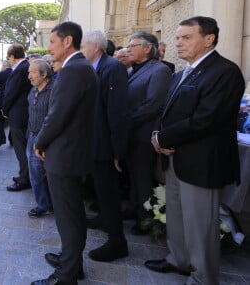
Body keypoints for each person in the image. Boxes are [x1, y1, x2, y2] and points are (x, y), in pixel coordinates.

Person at [145, 16, 245, 285]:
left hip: (202, 162)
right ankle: (179, 260)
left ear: (209, 39)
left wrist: (163, 137)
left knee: (200, 225)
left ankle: (203, 277)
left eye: (186, 37)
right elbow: (165, 111)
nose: (178, 42)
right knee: (176, 216)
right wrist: (157, 134)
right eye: (177, 37)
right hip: (175, 158)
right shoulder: (181, 72)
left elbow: (206, 119)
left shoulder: (225, 72)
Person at [32, 22, 98, 285]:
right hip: (72, 152)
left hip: (65, 154)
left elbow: (57, 115)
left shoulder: (73, 70)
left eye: (52, 42)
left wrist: (40, 141)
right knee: (72, 213)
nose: (48, 47)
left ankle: (66, 276)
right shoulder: (81, 68)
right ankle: (72, 262)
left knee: (68, 216)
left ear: (67, 41)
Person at [80, 30, 130, 262]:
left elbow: (117, 113)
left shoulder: (112, 68)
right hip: (95, 143)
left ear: (96, 46)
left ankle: (117, 242)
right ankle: (103, 219)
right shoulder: (96, 67)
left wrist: (118, 152)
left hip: (106, 147)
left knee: (109, 194)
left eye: (83, 45)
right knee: (101, 191)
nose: (80, 49)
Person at [126, 32, 172, 234]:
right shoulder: (135, 69)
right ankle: (134, 209)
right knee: (133, 177)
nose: (128, 49)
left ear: (147, 48)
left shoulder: (159, 70)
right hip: (132, 134)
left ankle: (144, 219)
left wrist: (125, 121)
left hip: (143, 135)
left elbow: (152, 105)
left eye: (133, 45)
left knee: (143, 178)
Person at [2, 44, 32, 192]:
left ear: (13, 57)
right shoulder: (26, 66)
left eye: (9, 58)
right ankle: (25, 174)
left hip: (18, 115)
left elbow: (10, 93)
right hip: (24, 114)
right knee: (24, 147)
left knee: (21, 149)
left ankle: (24, 178)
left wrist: (4, 109)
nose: (9, 60)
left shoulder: (19, 69)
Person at [25, 59, 53, 218]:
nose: (29, 76)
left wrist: (43, 142)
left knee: (45, 175)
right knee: (35, 175)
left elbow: (53, 119)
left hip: (45, 141)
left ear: (44, 74)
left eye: (33, 72)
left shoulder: (54, 91)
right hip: (32, 138)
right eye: (29, 72)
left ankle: (47, 205)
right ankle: (44, 204)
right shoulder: (33, 90)